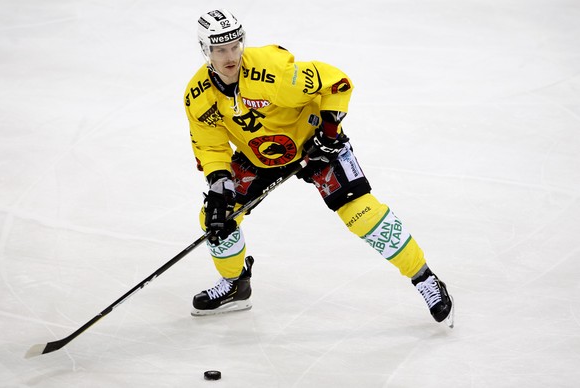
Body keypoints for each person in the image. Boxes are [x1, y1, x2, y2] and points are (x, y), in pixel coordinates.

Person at [184, 9, 454, 327]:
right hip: (258, 157)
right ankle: (235, 285)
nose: (230, 56)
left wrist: (330, 133)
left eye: (234, 46)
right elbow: (210, 146)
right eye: (220, 49)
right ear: (206, 50)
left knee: (362, 214)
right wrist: (218, 185)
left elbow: (337, 83)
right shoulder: (199, 96)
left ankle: (425, 279)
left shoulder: (273, 72)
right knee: (216, 218)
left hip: (316, 146)